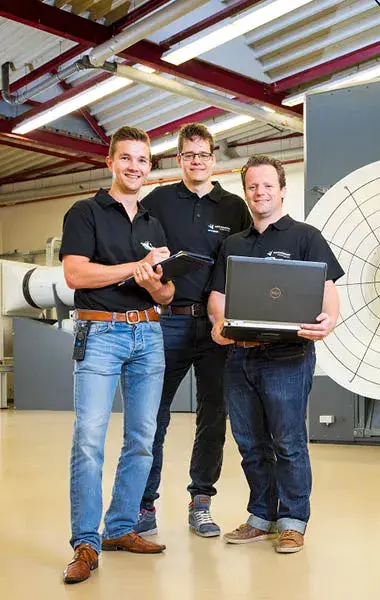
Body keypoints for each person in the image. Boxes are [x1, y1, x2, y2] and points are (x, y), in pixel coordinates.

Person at [208, 155, 344, 553]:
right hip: (240, 357)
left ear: (282, 190)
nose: (260, 192)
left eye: (268, 185)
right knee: (250, 443)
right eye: (252, 186)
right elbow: (218, 297)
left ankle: (293, 520)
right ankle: (262, 516)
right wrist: (219, 323)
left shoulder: (306, 237)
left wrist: (329, 320)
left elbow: (328, 291)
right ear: (246, 192)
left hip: (288, 357)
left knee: (288, 441)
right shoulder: (233, 244)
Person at [60, 126, 175, 584]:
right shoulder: (85, 212)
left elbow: (166, 292)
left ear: (150, 167)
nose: (134, 167)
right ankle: (85, 542)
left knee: (143, 438)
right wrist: (135, 268)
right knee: (89, 438)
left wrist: (154, 284)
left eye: (142, 160)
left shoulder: (152, 223)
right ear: (110, 162)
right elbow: (74, 274)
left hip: (148, 334)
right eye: (125, 158)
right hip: (101, 333)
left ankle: (121, 528)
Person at [136, 123, 251, 538]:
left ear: (213, 158)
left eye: (203, 154)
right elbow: (138, 251)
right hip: (167, 322)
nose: (196, 161)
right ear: (179, 159)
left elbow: (245, 262)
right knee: (153, 416)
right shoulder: (157, 202)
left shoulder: (233, 206)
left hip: (218, 326)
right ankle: (144, 505)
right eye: (189, 155)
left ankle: (200, 502)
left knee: (212, 417)